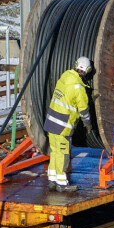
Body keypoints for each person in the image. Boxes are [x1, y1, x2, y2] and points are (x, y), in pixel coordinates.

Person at [43, 57, 92, 192]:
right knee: (63, 153)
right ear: (87, 71)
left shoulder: (64, 76)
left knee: (55, 151)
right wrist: (88, 123)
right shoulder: (79, 88)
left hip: (51, 121)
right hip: (62, 125)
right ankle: (62, 183)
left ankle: (52, 179)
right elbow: (83, 109)